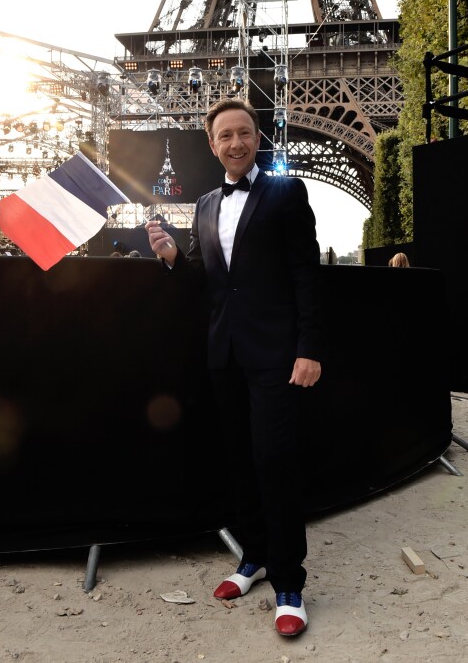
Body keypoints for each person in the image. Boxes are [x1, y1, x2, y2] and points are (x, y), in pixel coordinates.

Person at [146, 97, 325, 638]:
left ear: (257, 135)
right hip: (224, 354)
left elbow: (306, 275)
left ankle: (290, 583)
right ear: (212, 144)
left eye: (244, 133)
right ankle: (255, 558)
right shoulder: (203, 204)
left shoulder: (286, 191)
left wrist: (309, 347)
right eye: (225, 136)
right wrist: (173, 257)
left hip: (276, 355)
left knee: (276, 464)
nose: (236, 143)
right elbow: (210, 278)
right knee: (239, 463)